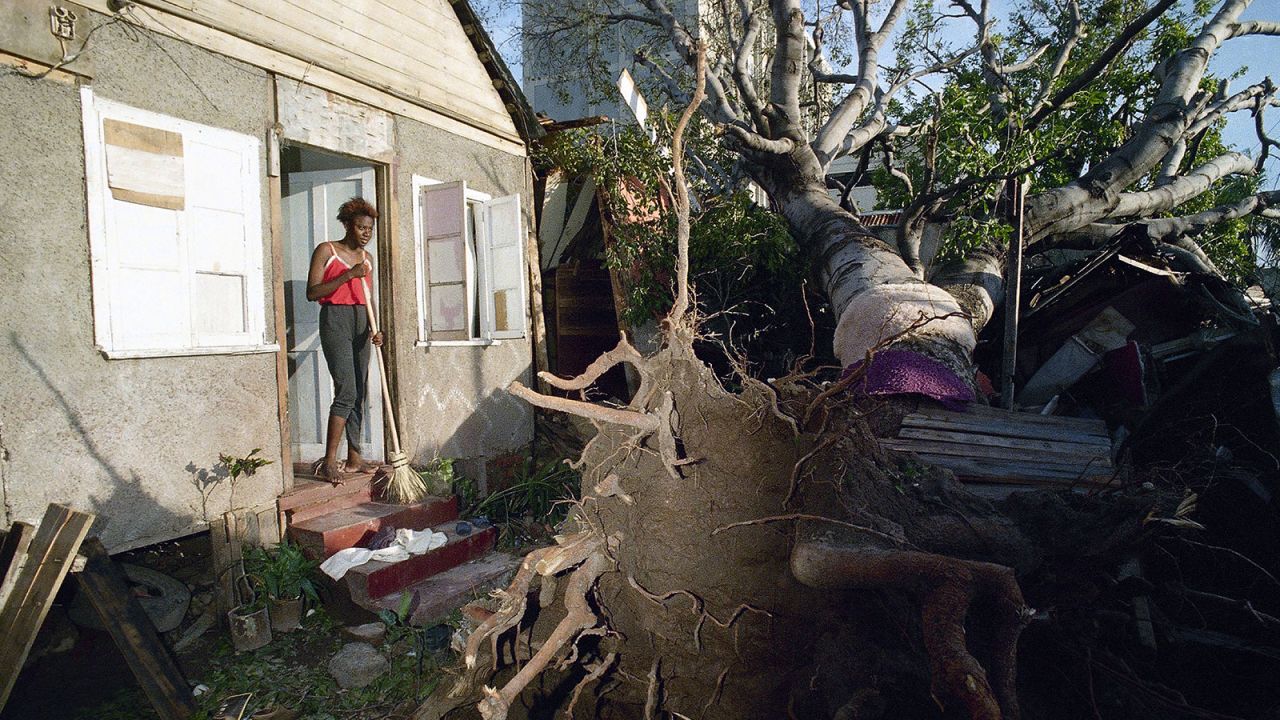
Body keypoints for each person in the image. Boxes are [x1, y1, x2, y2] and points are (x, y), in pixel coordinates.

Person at [306, 197, 384, 481]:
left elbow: (368, 296)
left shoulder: (368, 259)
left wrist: (377, 328)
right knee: (346, 390)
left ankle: (354, 457)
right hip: (335, 319)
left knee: (359, 391)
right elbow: (312, 292)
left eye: (370, 229)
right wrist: (348, 275)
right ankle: (329, 461)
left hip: (362, 320)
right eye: (362, 227)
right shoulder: (327, 251)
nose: (366, 233)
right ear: (348, 226)